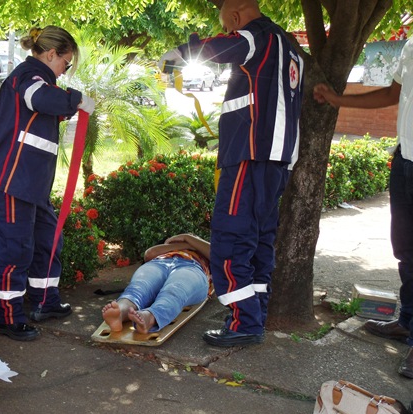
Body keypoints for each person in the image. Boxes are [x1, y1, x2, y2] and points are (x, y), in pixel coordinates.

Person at [165, 0, 304, 347]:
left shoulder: (257, 35)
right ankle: (253, 315)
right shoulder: (290, 45)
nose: (229, 31)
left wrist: (181, 53)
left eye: (228, 25)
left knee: (230, 239)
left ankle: (244, 322)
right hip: (277, 159)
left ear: (238, 15)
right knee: (258, 241)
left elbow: (225, 47)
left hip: (249, 153)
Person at [0, 26, 95, 341]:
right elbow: (40, 97)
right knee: (15, 249)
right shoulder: (29, 77)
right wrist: (77, 100)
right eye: (65, 64)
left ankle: (44, 302)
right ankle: (8, 317)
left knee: (48, 240)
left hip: (30, 185)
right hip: (10, 182)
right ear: (52, 54)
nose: (64, 71)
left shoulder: (39, 80)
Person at [314, 37, 413, 378]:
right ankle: (408, 322)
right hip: (406, 160)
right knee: (405, 250)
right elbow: (391, 94)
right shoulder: (412, 44)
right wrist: (337, 99)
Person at [102, 234, 211, 334]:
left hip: (192, 266)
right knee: (139, 287)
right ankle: (120, 312)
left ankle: (150, 317)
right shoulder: (166, 251)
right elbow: (149, 254)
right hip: (160, 263)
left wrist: (187, 237)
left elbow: (218, 256)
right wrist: (184, 244)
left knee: (175, 290)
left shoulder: (204, 252)